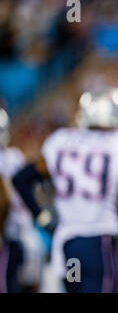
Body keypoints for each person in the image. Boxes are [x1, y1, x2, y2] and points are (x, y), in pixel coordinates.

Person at [12, 87, 118, 293]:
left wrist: (43, 219)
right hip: (99, 244)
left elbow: (22, 178)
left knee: (76, 288)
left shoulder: (62, 140)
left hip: (69, 246)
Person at [0, 108, 45, 293]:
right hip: (7, 227)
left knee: (33, 264)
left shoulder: (14, 156)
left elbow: (30, 190)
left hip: (20, 222)